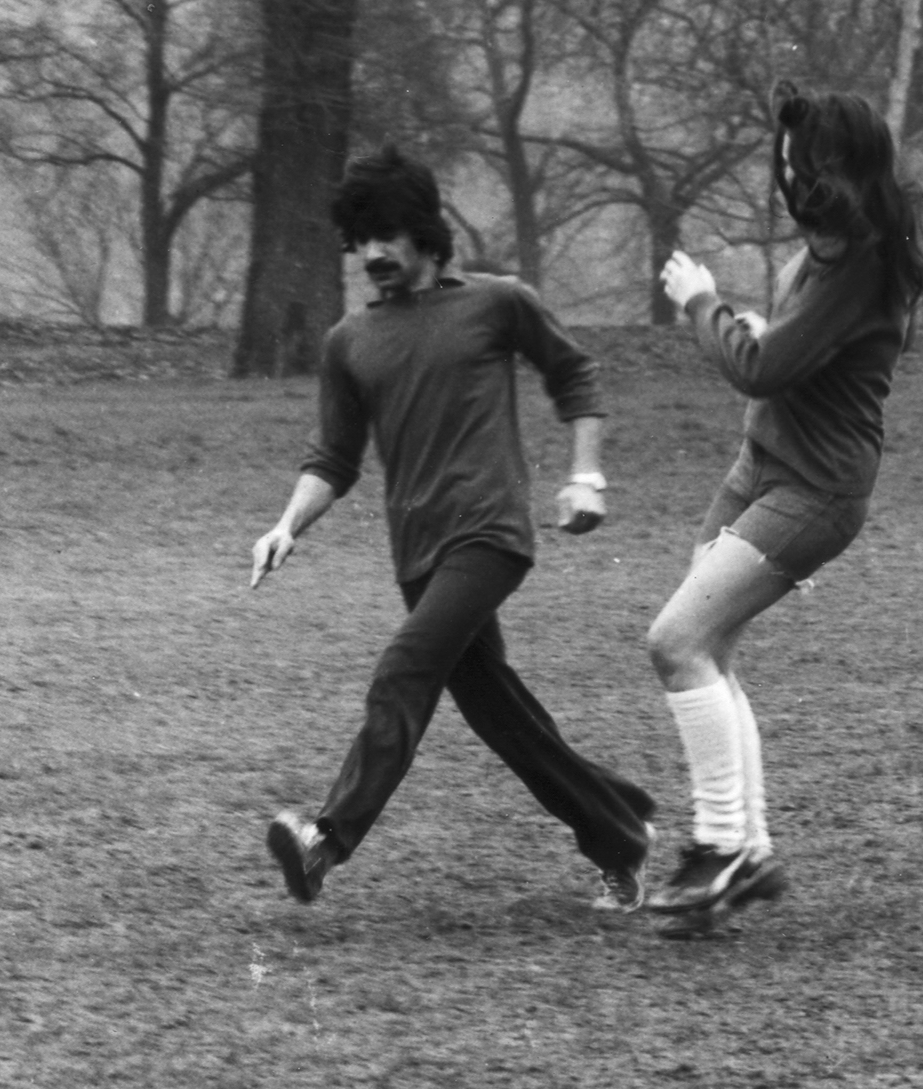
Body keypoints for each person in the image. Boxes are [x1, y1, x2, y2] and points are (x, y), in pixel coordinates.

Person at [252, 145, 657, 911]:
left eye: (390, 235)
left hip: (488, 534)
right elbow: (334, 458)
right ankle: (620, 829)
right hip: (417, 554)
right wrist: (287, 525)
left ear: (427, 236)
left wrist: (586, 474)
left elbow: (576, 375)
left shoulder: (497, 302)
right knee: (501, 716)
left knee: (404, 668)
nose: (373, 252)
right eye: (361, 238)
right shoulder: (349, 341)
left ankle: (324, 842)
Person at [649, 87, 923, 938]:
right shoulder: (830, 249)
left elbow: (759, 368)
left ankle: (719, 845)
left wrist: (705, 301)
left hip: (817, 490)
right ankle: (751, 850)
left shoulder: (866, 264)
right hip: (760, 465)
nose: (783, 171)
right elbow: (792, 357)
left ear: (832, 168)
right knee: (709, 647)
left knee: (673, 641)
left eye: (797, 159)